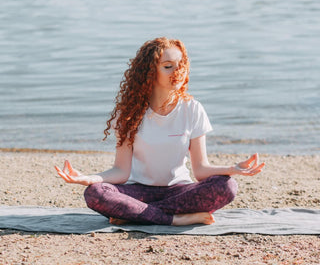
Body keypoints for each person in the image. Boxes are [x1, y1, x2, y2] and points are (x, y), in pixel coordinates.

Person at [55, 37, 265, 226]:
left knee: (227, 186)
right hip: (138, 191)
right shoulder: (129, 112)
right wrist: (89, 178)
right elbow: (120, 171)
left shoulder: (193, 108)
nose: (178, 71)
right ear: (149, 73)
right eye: (168, 66)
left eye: (181, 65)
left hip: (178, 192)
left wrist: (232, 168)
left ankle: (134, 215)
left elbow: (200, 170)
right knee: (96, 193)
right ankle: (174, 219)